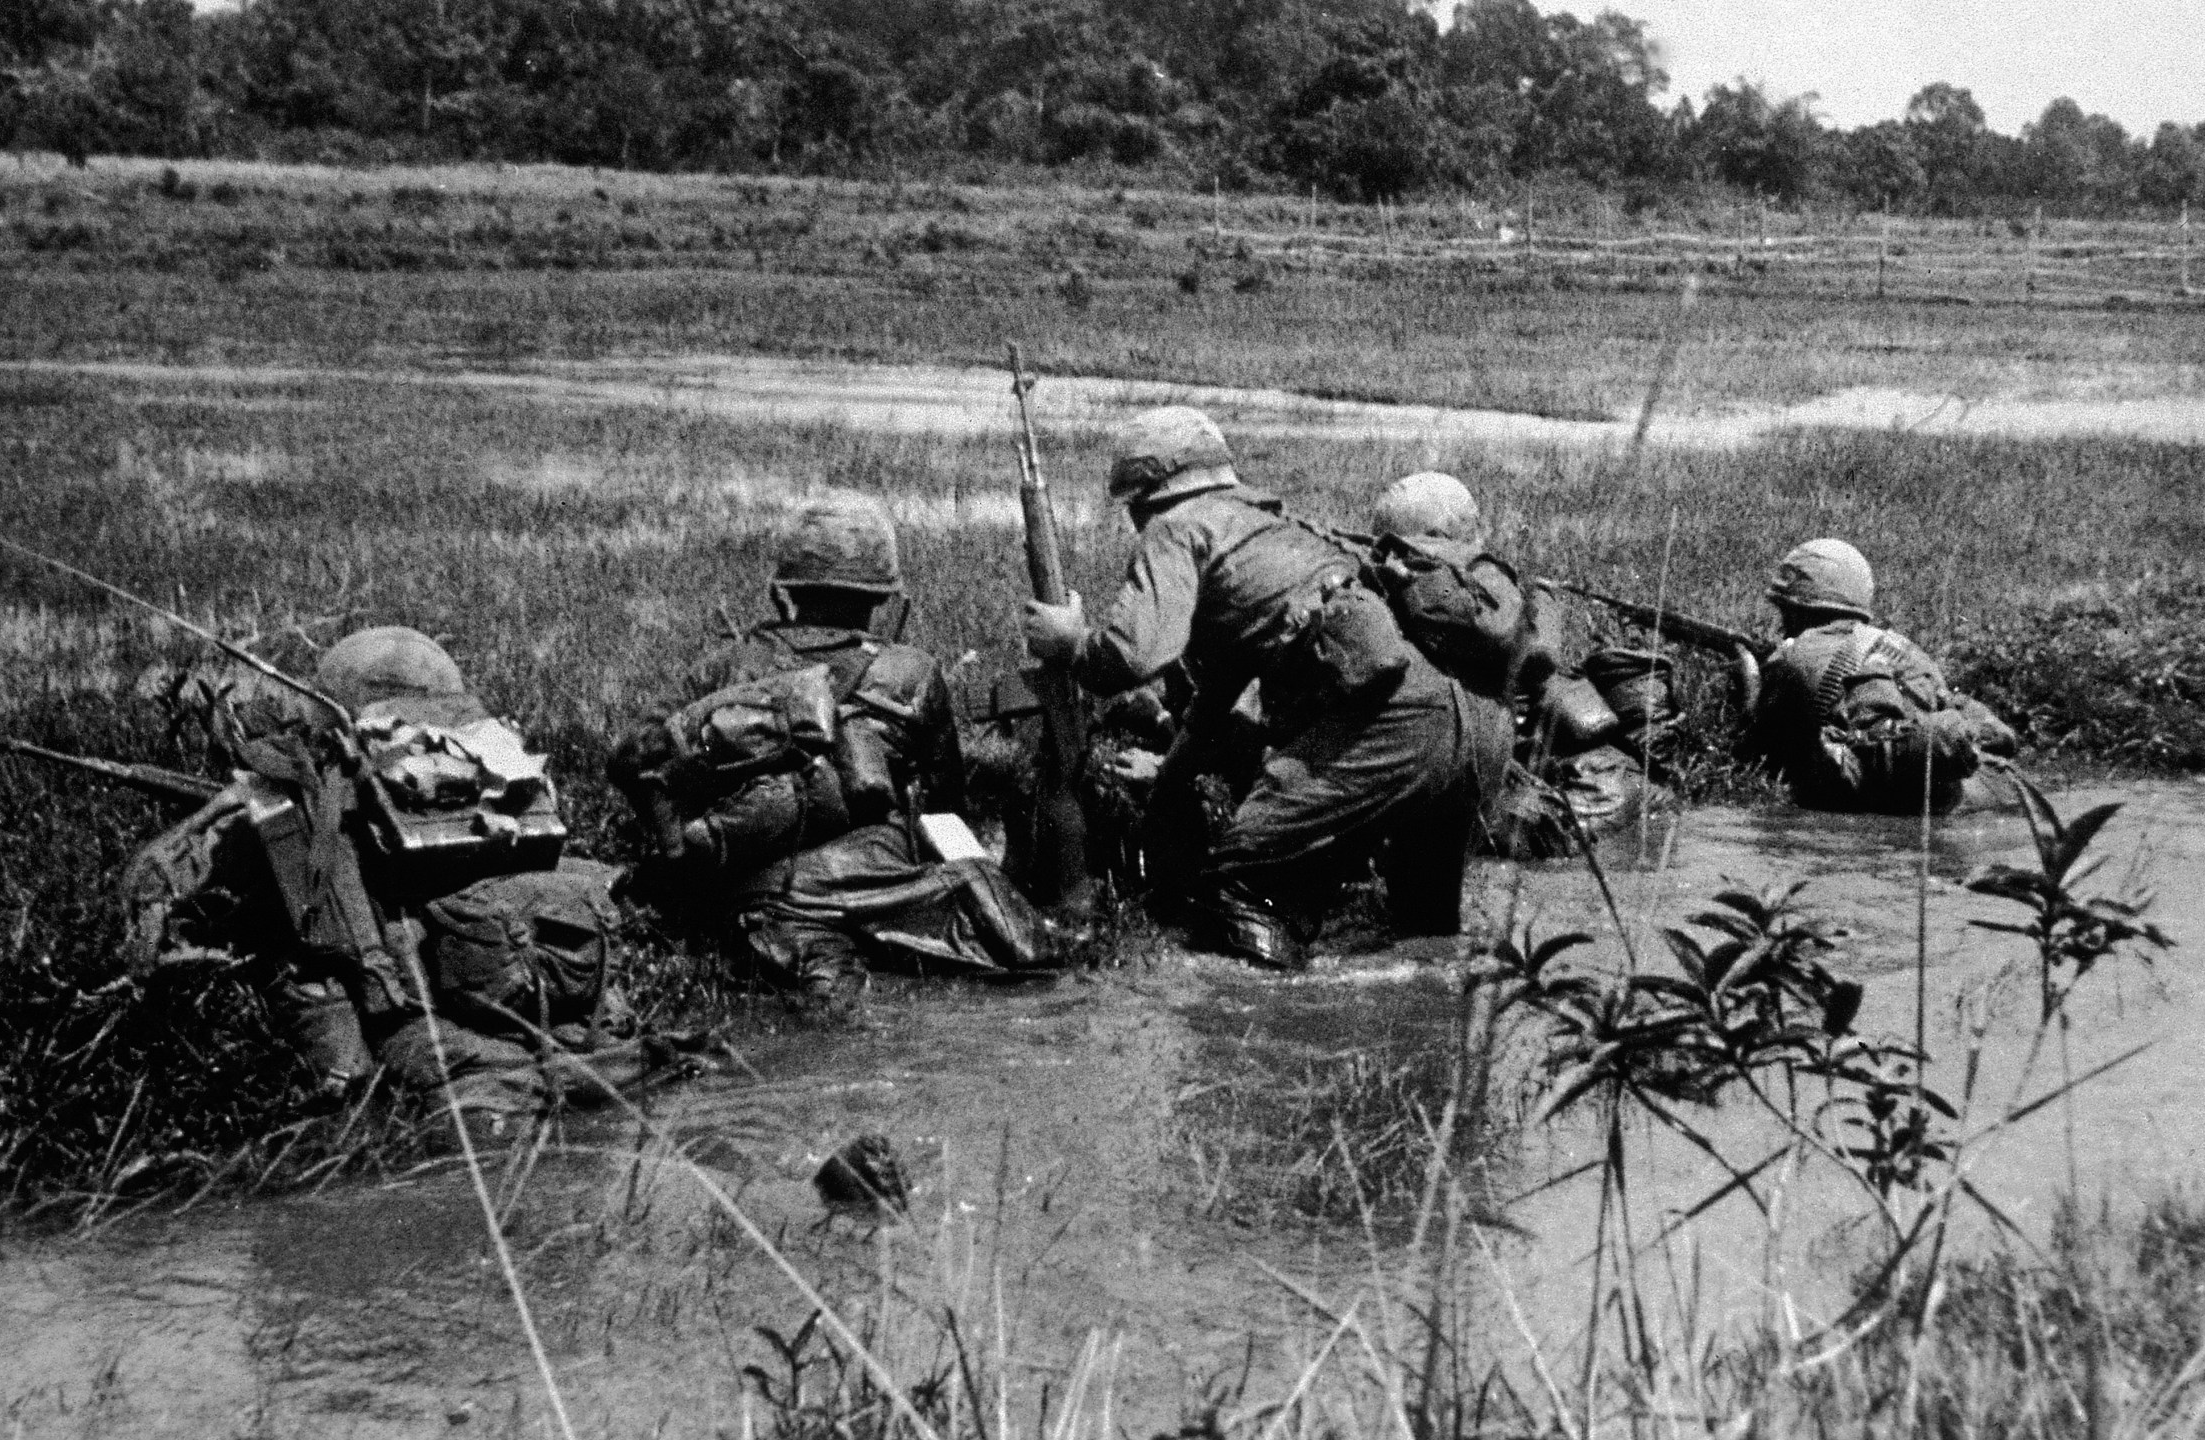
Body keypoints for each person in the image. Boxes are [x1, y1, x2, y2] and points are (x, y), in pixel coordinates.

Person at [123, 626, 705, 1136]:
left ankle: (352, 1109)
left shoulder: (304, 793)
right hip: (579, 1029)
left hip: (434, 1045)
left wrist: (227, 806)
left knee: (298, 964)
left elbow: (149, 880)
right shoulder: (495, 770)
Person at [1021, 409, 1497, 971]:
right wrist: (1163, 797)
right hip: (1474, 729)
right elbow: (1213, 705)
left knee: (1240, 885)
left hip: (1393, 733)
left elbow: (1134, 655)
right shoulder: (1269, 528)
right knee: (1423, 934)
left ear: (1145, 497)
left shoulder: (1178, 526)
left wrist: (1071, 642)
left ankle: (1263, 1029)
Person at [609, 489, 1050, 1001]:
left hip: (762, 900)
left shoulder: (726, 668)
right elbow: (945, 808)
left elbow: (634, 759)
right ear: (884, 599)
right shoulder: (913, 672)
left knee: (829, 999)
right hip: (891, 892)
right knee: (1022, 954)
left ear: (785, 592)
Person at [1365, 471, 1659, 858]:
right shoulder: (1447, 589)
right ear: (1447, 533)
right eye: (1470, 528)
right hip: (1451, 773)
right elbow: (1537, 657)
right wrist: (1545, 605)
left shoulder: (1371, 582)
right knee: (1630, 789)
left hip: (1399, 764)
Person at [1743, 539, 2018, 815]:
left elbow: (1760, 737)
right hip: (1968, 792)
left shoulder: (1793, 655)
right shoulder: (1904, 647)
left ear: (1795, 608)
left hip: (1882, 798)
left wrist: (1748, 672)